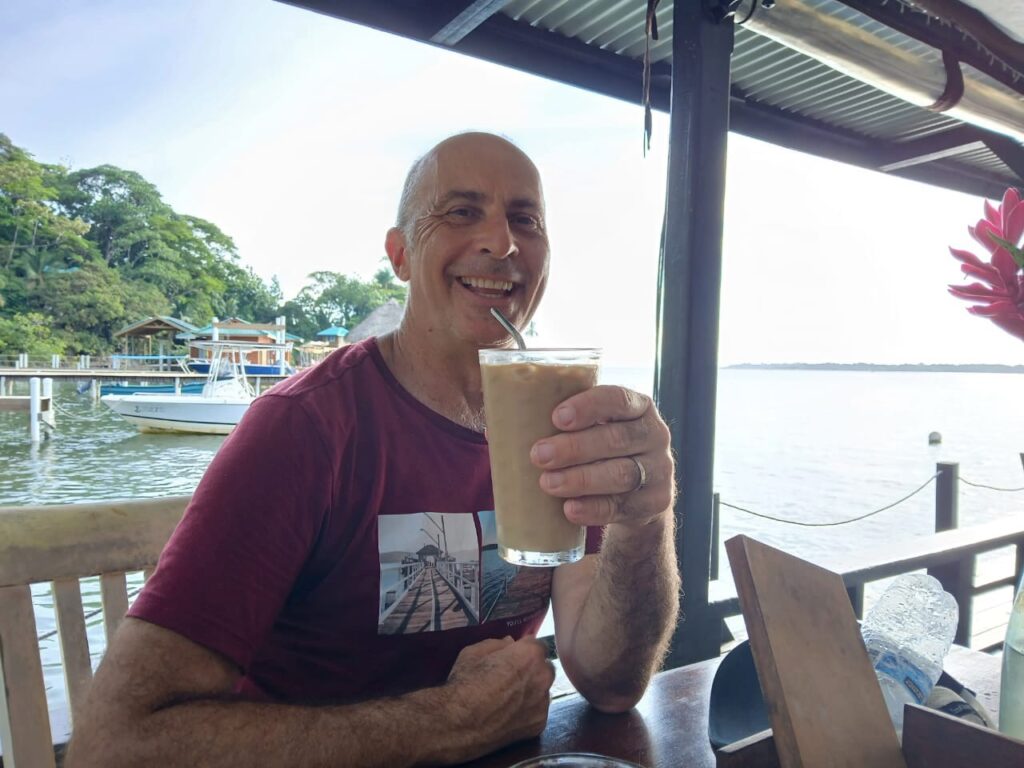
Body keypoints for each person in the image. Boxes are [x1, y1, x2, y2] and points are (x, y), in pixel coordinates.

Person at [67, 132, 680, 767]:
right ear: (400, 255)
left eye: (525, 220)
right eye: (462, 211)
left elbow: (609, 682)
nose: (502, 242)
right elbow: (113, 747)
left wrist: (643, 519)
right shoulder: (304, 428)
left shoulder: (558, 420)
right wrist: (450, 722)